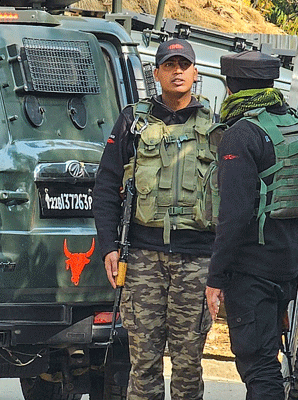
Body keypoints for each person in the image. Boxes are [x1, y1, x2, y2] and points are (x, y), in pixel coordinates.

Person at [92, 38, 216, 400]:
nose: (177, 71)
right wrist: (108, 247)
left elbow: (234, 194)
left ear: (195, 72)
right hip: (143, 258)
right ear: (157, 73)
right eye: (169, 65)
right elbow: (105, 187)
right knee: (143, 363)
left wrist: (224, 265)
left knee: (188, 363)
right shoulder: (133, 121)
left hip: (197, 260)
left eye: (184, 65)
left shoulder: (216, 126)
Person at [205, 51, 298, 399]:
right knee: (272, 359)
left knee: (259, 366)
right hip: (288, 267)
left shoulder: (241, 134)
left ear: (230, 87)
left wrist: (216, 278)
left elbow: (235, 214)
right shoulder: (292, 123)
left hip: (252, 273)